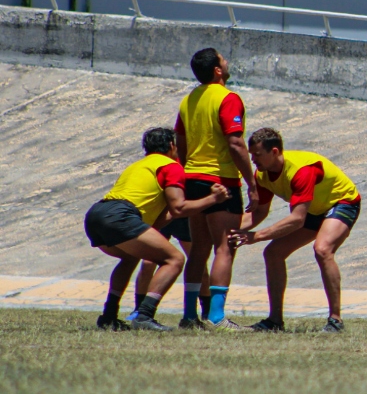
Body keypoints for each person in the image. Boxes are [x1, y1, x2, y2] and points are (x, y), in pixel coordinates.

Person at [84, 127, 229, 331]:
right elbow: (179, 207)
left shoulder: (139, 165)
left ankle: (108, 316)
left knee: (130, 257)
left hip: (96, 214)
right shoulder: (171, 165)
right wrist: (214, 199)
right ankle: (144, 315)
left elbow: (162, 216)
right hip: (122, 215)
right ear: (172, 146)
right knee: (175, 259)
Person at [232, 128, 362, 333]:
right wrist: (228, 231)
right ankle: (275, 321)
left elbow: (297, 220)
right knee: (273, 253)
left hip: (341, 202)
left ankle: (335, 320)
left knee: (323, 249)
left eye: (258, 154)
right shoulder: (262, 174)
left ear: (274, 152)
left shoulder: (301, 171)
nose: (253, 160)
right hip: (313, 209)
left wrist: (256, 236)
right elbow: (258, 214)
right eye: (251, 155)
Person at [176, 47, 256, 330]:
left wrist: (186, 172)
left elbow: (180, 141)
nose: (227, 61)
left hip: (192, 177)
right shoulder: (228, 98)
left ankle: (188, 316)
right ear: (218, 71)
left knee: (199, 248)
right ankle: (217, 317)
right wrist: (252, 182)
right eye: (224, 59)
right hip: (221, 179)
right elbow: (235, 143)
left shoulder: (189, 100)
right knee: (225, 248)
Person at [128, 217, 210, 322]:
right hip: (164, 215)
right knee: (148, 263)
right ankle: (139, 309)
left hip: (185, 217)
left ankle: (207, 310)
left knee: (199, 264)